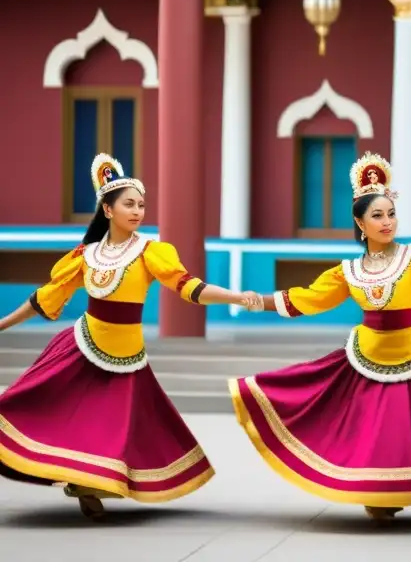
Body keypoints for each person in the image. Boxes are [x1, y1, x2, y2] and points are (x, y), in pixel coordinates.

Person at [230, 151, 411, 519]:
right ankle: (376, 494)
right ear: (360, 223)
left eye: (391, 213)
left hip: (410, 356)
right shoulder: (347, 270)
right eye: (377, 216)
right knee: (370, 433)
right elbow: (308, 299)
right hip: (365, 356)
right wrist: (258, 302)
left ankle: (395, 492)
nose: (387, 222)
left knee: (408, 433)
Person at [0, 153, 259, 519]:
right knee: (49, 409)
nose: (137, 211)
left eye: (141, 204)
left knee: (111, 427)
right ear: (107, 210)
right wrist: (2, 324)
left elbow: (189, 287)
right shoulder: (85, 256)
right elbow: (45, 299)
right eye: (129, 204)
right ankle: (81, 480)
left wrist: (234, 296)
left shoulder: (152, 252)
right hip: (81, 346)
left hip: (126, 356)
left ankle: (90, 482)